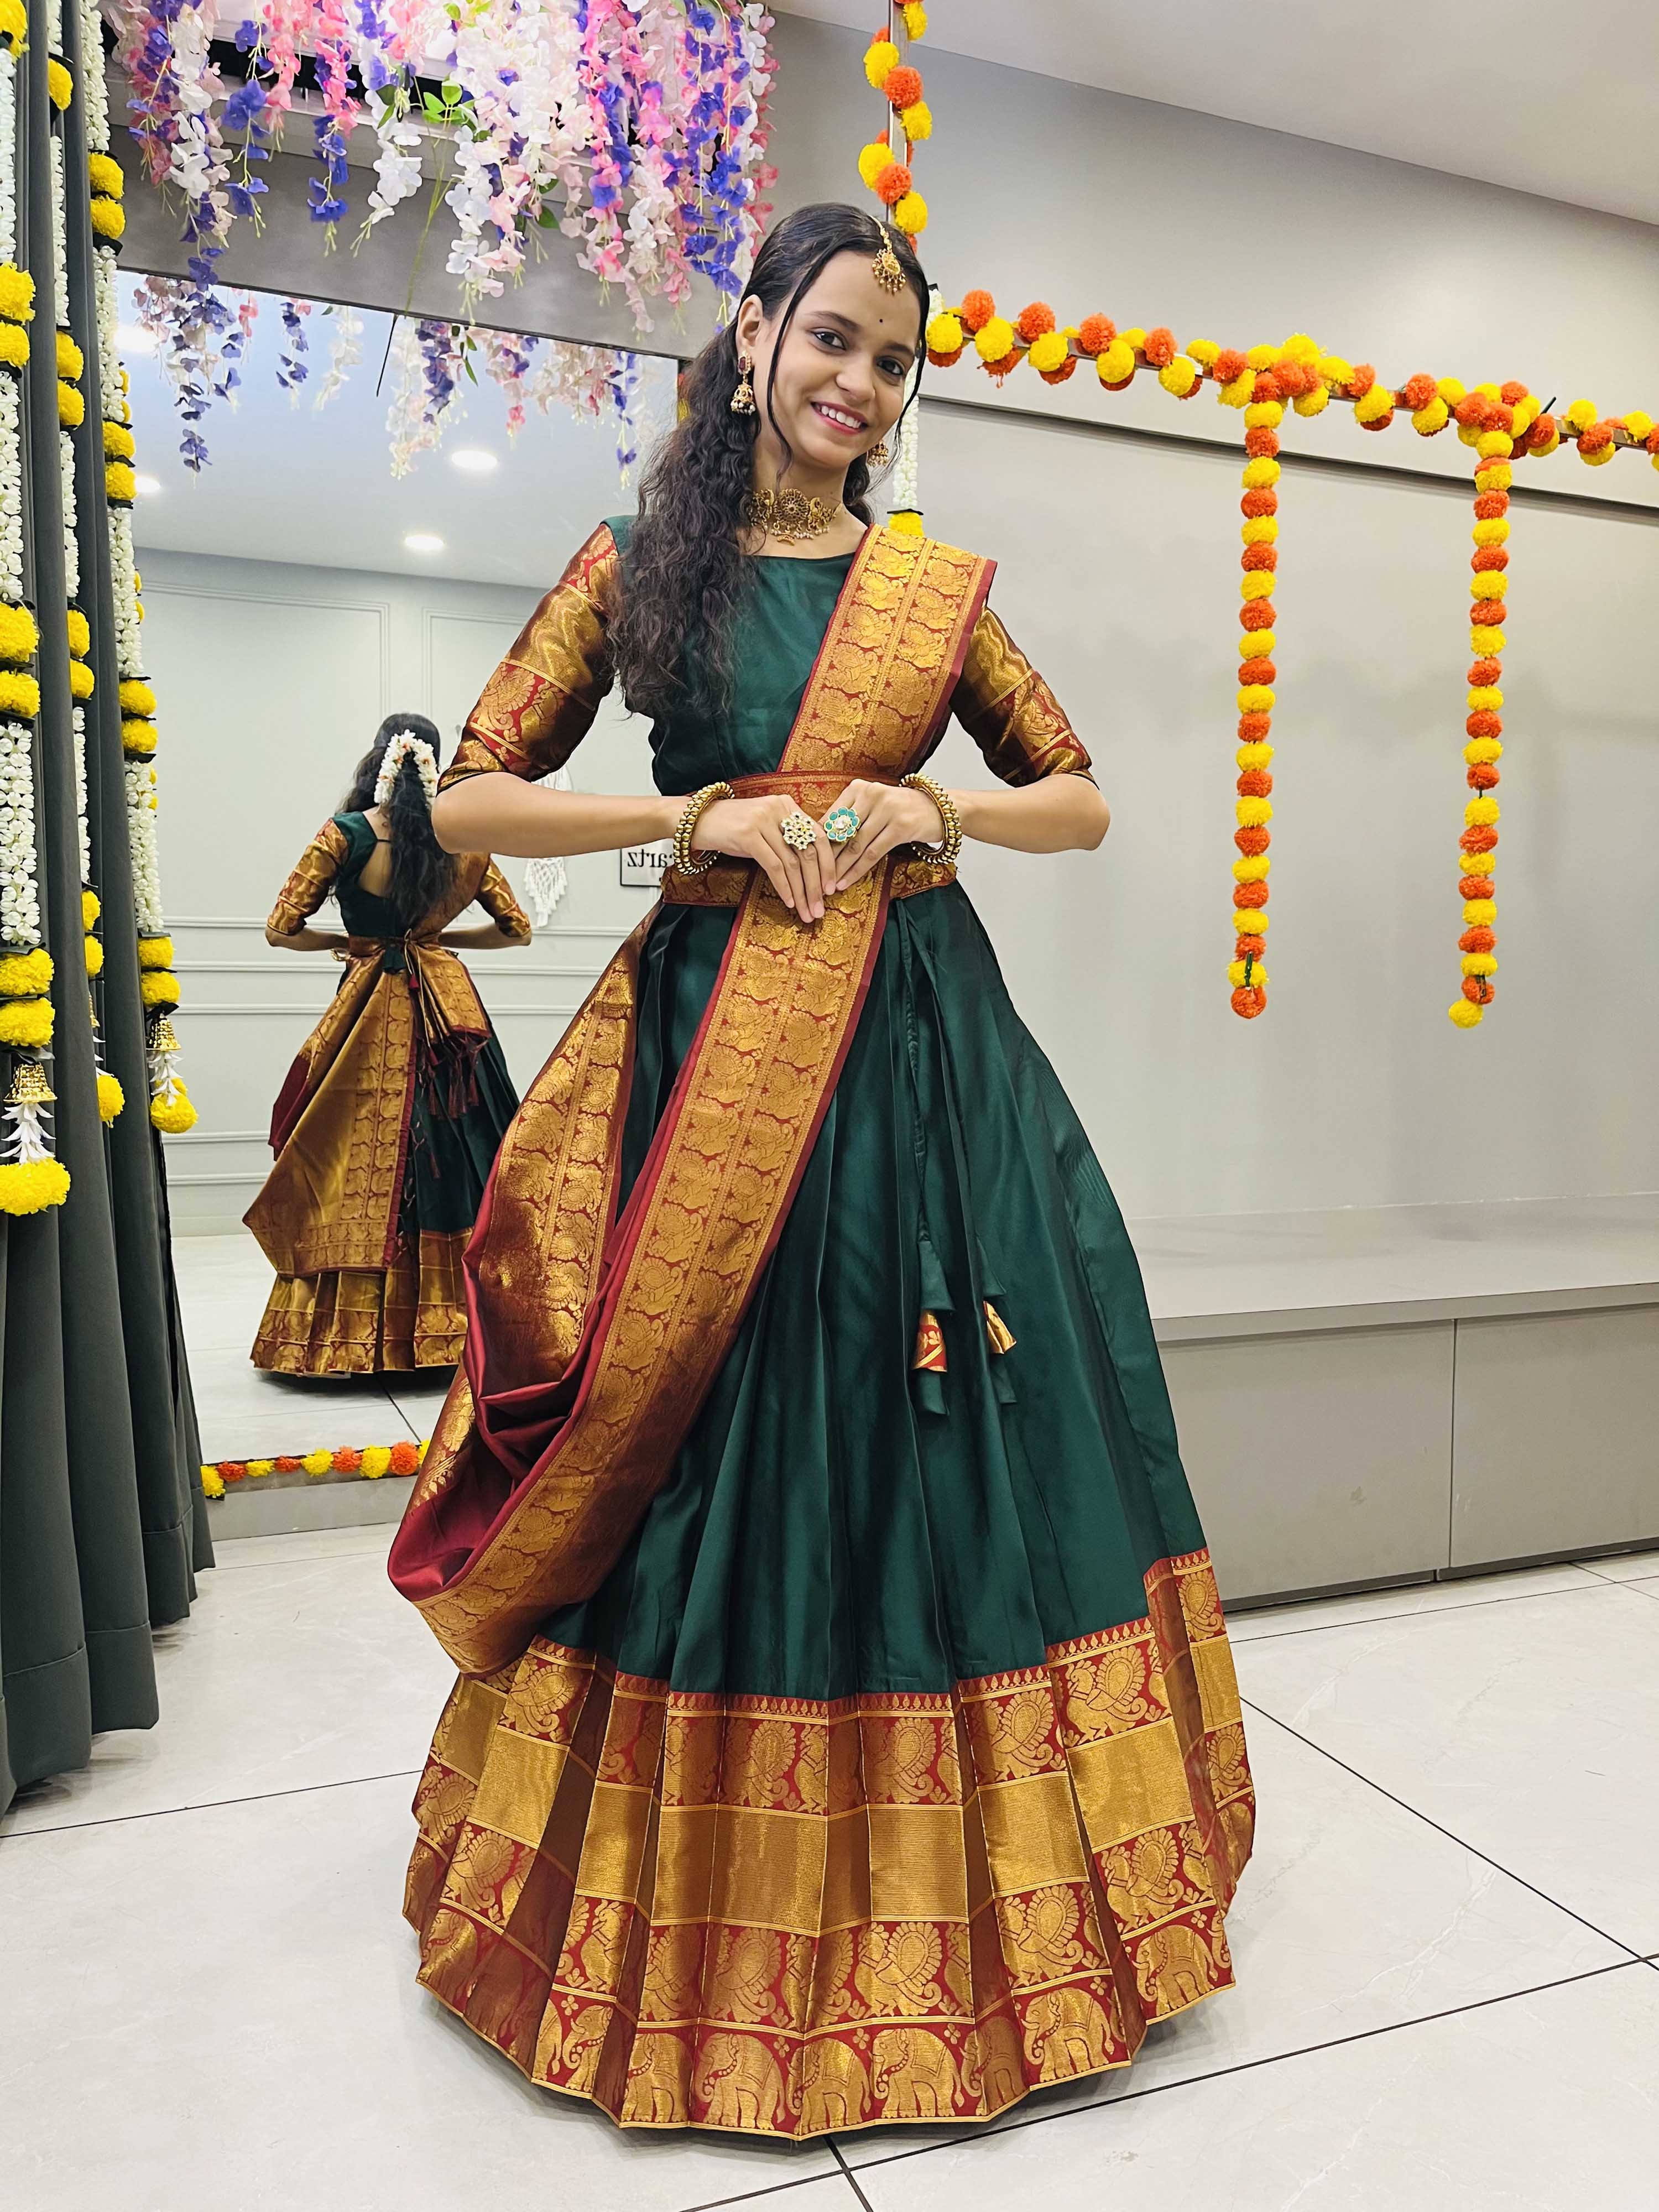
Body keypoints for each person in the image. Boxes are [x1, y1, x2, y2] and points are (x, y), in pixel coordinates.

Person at [388, 205, 1254, 2138]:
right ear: (759, 333)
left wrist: (932, 802)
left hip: (922, 1063)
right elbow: (467, 797)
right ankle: (690, 1935)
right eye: (832, 341)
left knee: (929, 1424)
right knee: (707, 1428)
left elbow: (1084, 795)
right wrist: (698, 808)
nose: (857, 386)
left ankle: (986, 1916)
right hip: (709, 1055)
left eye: (890, 362)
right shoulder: (640, 571)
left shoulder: (929, 592)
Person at [246, 714, 530, 1375]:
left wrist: (346, 945)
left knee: (344, 1156)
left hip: (366, 1007)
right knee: (468, 1148)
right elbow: (516, 930)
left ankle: (348, 1339)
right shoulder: (467, 843)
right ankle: (467, 1331)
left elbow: (279, 930)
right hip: (447, 1015)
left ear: (377, 762)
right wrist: (436, 944)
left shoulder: (345, 836)